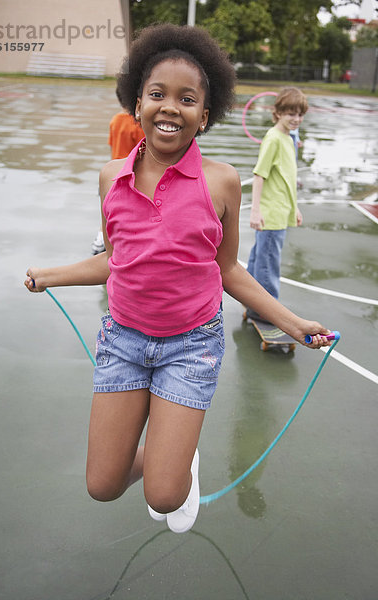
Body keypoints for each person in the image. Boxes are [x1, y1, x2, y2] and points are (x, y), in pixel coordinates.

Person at [25, 26, 332, 534]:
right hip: (123, 340)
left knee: (165, 497)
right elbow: (116, 259)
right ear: (136, 104)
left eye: (187, 99)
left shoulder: (223, 181)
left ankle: (178, 458)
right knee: (102, 485)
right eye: (157, 94)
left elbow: (228, 269)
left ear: (204, 116)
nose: (171, 107)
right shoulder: (110, 177)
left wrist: (291, 322)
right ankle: (172, 450)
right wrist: (50, 275)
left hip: (191, 346)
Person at [247, 87, 308, 322]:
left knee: (259, 258)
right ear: (278, 112)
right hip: (271, 214)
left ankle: (253, 303)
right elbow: (259, 175)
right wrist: (255, 209)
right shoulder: (273, 138)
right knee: (267, 263)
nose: (296, 119)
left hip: (281, 211)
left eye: (300, 115)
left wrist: (296, 208)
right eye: (291, 114)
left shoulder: (288, 138)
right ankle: (266, 310)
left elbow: (286, 178)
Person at [91, 91, 144, 255]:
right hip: (130, 174)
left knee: (107, 214)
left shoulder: (115, 120)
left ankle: (100, 239)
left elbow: (111, 147)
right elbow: (144, 152)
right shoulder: (138, 125)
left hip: (113, 173)